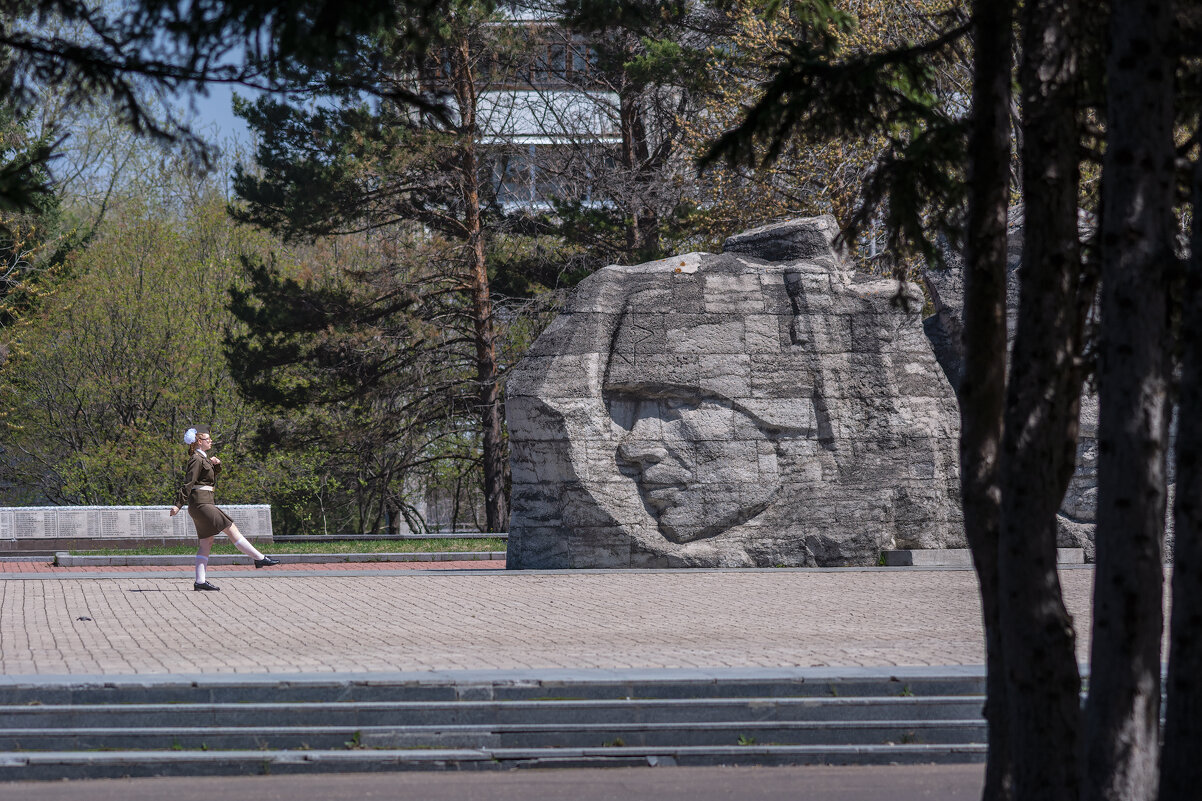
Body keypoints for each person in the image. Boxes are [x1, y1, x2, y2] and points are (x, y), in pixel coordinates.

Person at [169, 426, 278, 590]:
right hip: (201, 504)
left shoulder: (203, 458)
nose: (210, 441)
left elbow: (207, 479)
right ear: (199, 441)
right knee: (231, 528)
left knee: (207, 542)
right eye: (207, 439)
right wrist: (178, 505)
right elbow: (188, 483)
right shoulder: (196, 459)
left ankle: (200, 582)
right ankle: (259, 558)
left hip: (203, 503)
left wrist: (216, 465)